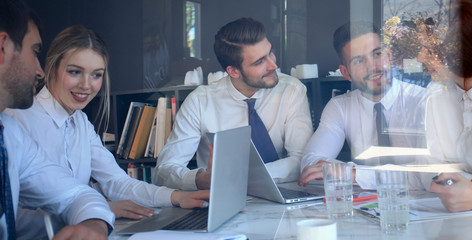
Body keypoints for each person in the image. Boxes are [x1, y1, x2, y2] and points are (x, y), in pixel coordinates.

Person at [5, 25, 210, 238]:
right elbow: (14, 212)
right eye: (75, 72)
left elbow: (116, 182)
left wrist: (177, 197)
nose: (86, 85)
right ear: (51, 68)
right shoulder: (17, 120)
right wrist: (99, 211)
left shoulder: (80, 122)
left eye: (96, 75)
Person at [154, 17, 313, 190]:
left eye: (270, 52)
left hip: (284, 194)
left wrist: (246, 177)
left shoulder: (291, 90)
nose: (273, 65)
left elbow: (302, 159)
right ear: (233, 71)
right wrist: (201, 179)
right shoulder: (200, 102)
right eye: (260, 61)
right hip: (221, 196)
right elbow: (163, 172)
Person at [0, 0, 114, 239]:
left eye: (96, 75)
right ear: (2, 47)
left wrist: (93, 223)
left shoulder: (9, 134)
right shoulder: (18, 121)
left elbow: (75, 194)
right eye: (34, 52)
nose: (39, 71)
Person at [299, 21, 427, 189]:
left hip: (424, 206)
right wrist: (347, 172)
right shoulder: (340, 107)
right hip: (365, 206)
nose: (372, 67)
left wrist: (352, 173)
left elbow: (425, 175)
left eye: (377, 54)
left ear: (388, 56)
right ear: (346, 73)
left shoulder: (422, 100)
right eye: (359, 61)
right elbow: (310, 163)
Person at [427, 0, 472, 212]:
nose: (420, 57)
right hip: (449, 221)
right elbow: (440, 172)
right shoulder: (436, 100)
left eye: (430, 51)